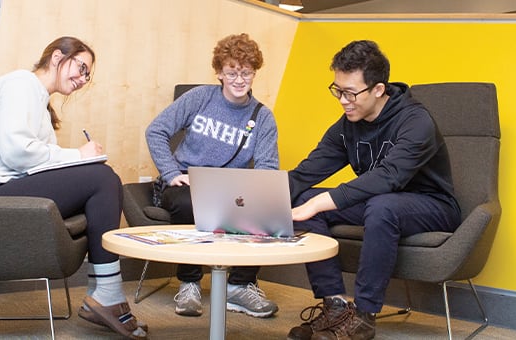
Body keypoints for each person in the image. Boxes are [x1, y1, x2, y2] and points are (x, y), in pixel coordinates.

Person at [0, 36, 148, 339]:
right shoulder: (21, 82)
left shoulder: (39, 101)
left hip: (1, 189)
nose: (82, 79)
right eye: (81, 67)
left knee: (106, 180)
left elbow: (41, 165)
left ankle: (102, 291)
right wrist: (79, 155)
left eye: (87, 75)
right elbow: (16, 151)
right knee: (102, 178)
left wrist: (80, 160)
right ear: (57, 57)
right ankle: (106, 293)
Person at [285, 40, 461, 340]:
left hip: (432, 205)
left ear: (378, 89)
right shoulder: (347, 125)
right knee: (305, 199)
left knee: (381, 205)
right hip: (378, 201)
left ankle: (364, 317)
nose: (342, 100)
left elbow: (389, 177)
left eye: (350, 92)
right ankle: (335, 306)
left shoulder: (416, 121)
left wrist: (322, 203)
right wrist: (255, 204)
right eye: (337, 90)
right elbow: (305, 173)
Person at [145, 33, 280, 318]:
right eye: (232, 72)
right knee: (186, 203)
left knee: (267, 209)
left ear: (255, 72)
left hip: (230, 190)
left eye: (246, 72)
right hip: (186, 181)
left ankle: (240, 287)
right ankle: (189, 283)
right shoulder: (199, 98)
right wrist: (171, 173)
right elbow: (155, 131)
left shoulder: (263, 117)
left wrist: (253, 194)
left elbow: (268, 167)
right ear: (219, 72)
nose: (240, 79)